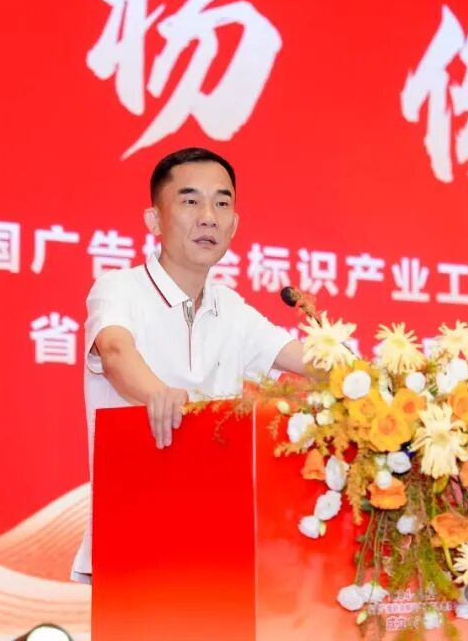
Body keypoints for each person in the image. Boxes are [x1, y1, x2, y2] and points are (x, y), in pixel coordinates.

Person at [69, 147, 307, 584]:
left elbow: (311, 361)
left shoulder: (231, 308)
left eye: (222, 203)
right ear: (154, 220)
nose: (208, 217)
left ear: (235, 223)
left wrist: (382, 378)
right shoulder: (119, 288)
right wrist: (156, 393)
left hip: (219, 544)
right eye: (190, 201)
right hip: (134, 537)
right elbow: (115, 351)